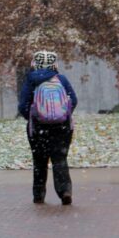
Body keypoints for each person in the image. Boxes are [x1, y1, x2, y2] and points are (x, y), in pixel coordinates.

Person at [18, 50, 78, 205]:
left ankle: (39, 195)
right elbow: (74, 99)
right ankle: (65, 191)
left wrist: (32, 116)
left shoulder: (31, 80)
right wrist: (63, 115)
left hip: (38, 128)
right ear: (54, 64)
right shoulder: (61, 79)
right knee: (60, 159)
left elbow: (23, 105)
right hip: (61, 128)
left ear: (35, 63)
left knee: (39, 161)